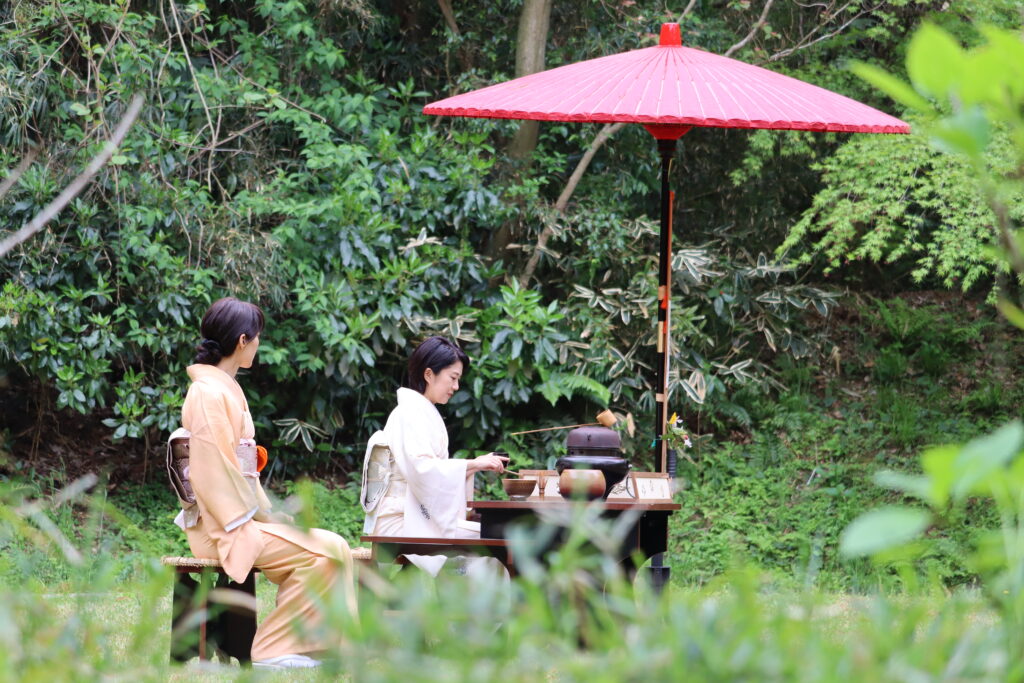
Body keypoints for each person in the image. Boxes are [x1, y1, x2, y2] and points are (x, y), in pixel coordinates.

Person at [172, 297, 357, 670]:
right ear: (243, 341)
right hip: (221, 525)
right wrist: (262, 518)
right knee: (328, 550)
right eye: (257, 338)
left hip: (238, 516)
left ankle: (320, 646)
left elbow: (240, 474)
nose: (258, 345)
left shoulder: (223, 389)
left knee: (332, 547)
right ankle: (273, 649)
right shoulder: (208, 393)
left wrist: (269, 515)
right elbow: (215, 476)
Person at [361, 336, 506, 546]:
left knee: (494, 538)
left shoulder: (420, 411)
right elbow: (423, 469)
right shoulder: (409, 413)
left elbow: (431, 472)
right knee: (494, 541)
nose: (456, 386)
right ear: (429, 374)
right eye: (453, 377)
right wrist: (473, 464)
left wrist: (473, 466)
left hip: (414, 513)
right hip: (400, 518)